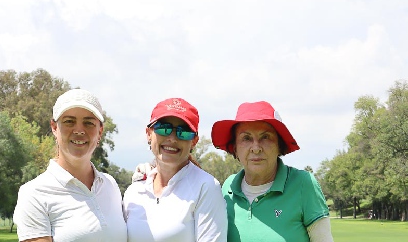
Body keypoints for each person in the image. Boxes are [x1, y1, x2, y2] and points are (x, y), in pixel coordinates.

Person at [13, 89, 127, 242]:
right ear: (54, 128)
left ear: (100, 131)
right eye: (69, 122)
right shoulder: (34, 194)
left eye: (88, 123)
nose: (79, 130)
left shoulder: (110, 184)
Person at [211, 101, 333, 242]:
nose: (256, 148)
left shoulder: (304, 184)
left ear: (279, 145)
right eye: (246, 138)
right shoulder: (228, 187)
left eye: (265, 137)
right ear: (235, 149)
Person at [123, 97, 227, 242]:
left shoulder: (206, 187)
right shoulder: (134, 191)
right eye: (163, 128)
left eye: (183, 132)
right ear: (149, 134)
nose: (172, 138)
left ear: (194, 141)